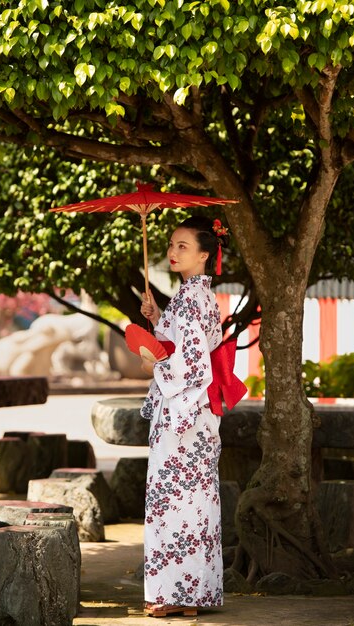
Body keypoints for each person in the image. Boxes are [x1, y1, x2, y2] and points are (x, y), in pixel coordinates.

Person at [140, 215, 229, 618]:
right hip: (193, 415)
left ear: (205, 255)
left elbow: (191, 366)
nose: (173, 252)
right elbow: (180, 346)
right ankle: (188, 594)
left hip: (184, 418)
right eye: (172, 245)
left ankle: (181, 595)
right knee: (190, 502)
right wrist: (158, 318)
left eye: (183, 246)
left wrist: (152, 366)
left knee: (177, 503)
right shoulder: (192, 296)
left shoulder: (193, 297)